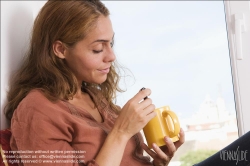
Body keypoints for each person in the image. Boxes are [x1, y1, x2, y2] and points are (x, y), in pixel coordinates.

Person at [4, 0, 185, 166]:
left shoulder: (95, 97)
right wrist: (120, 132)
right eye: (98, 49)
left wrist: (158, 163)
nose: (111, 56)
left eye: (110, 44)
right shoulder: (37, 110)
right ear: (60, 49)